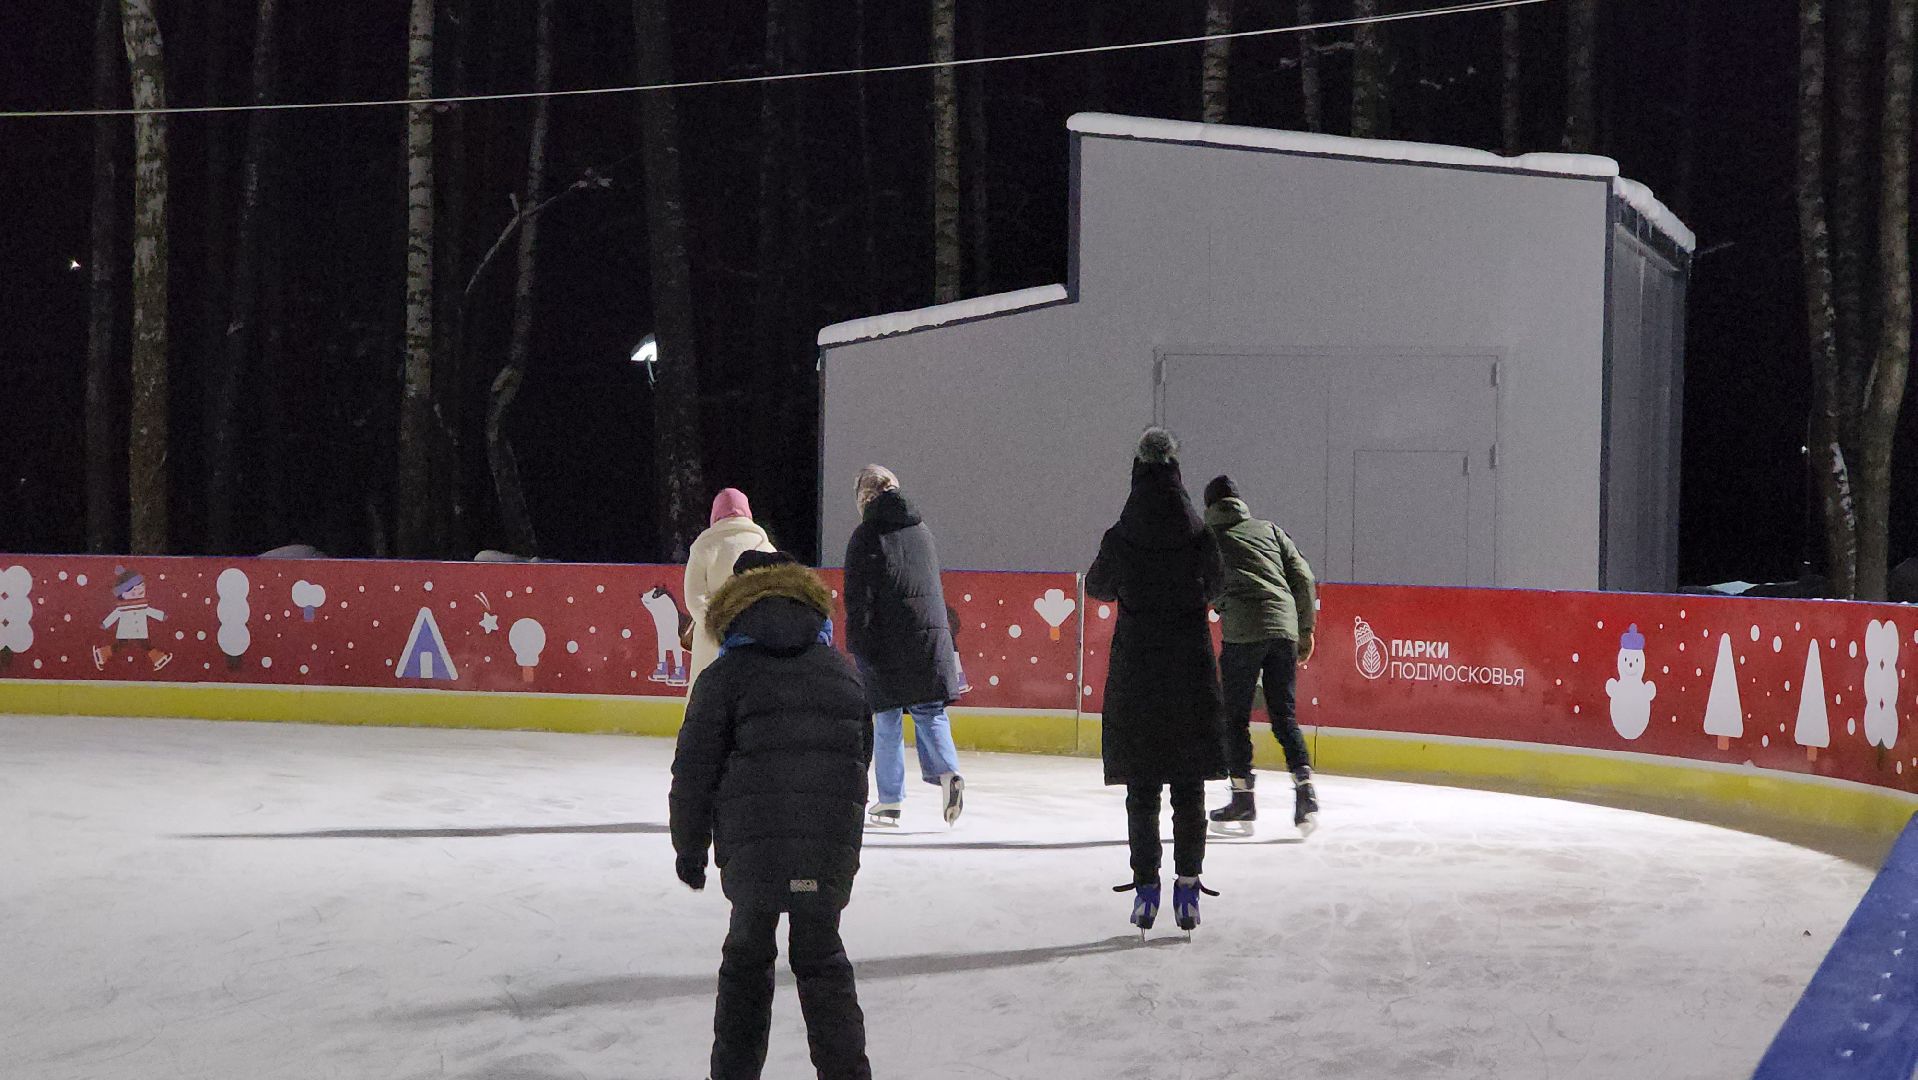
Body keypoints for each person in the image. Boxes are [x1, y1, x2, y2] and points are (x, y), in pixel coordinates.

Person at [670, 550, 874, 1080]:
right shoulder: (842, 673)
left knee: (746, 961)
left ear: (734, 605)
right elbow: (859, 765)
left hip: (752, 852)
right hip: (825, 850)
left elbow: (694, 770)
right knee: (822, 958)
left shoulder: (724, 677)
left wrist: (690, 848)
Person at [1085, 428, 1227, 934]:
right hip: (1189, 669)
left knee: (1142, 789)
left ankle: (1146, 889)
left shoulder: (1121, 536)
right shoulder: (1199, 535)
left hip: (1138, 673)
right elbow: (1219, 586)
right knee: (1189, 788)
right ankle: (1187, 890)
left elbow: (1098, 586)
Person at [843, 465, 965, 827]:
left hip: (886, 638)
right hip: (929, 636)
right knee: (929, 710)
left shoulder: (866, 535)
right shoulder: (921, 531)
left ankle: (891, 800)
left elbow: (859, 596)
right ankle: (949, 773)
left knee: (887, 717)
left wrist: (858, 640)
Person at [1201, 475, 1321, 838]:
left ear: (1210, 506)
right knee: (1284, 715)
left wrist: (1223, 604)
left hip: (1242, 633)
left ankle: (1242, 797)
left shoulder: (1208, 538)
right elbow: (1303, 576)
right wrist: (1305, 629)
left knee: (1234, 716)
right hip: (1283, 630)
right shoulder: (1270, 531)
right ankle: (1305, 793)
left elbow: (1204, 585)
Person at [684, 488, 776, 688]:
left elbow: (694, 597)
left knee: (708, 694)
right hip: (753, 638)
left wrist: (718, 626)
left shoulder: (703, 547)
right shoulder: (765, 547)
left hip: (711, 640)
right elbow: (776, 593)